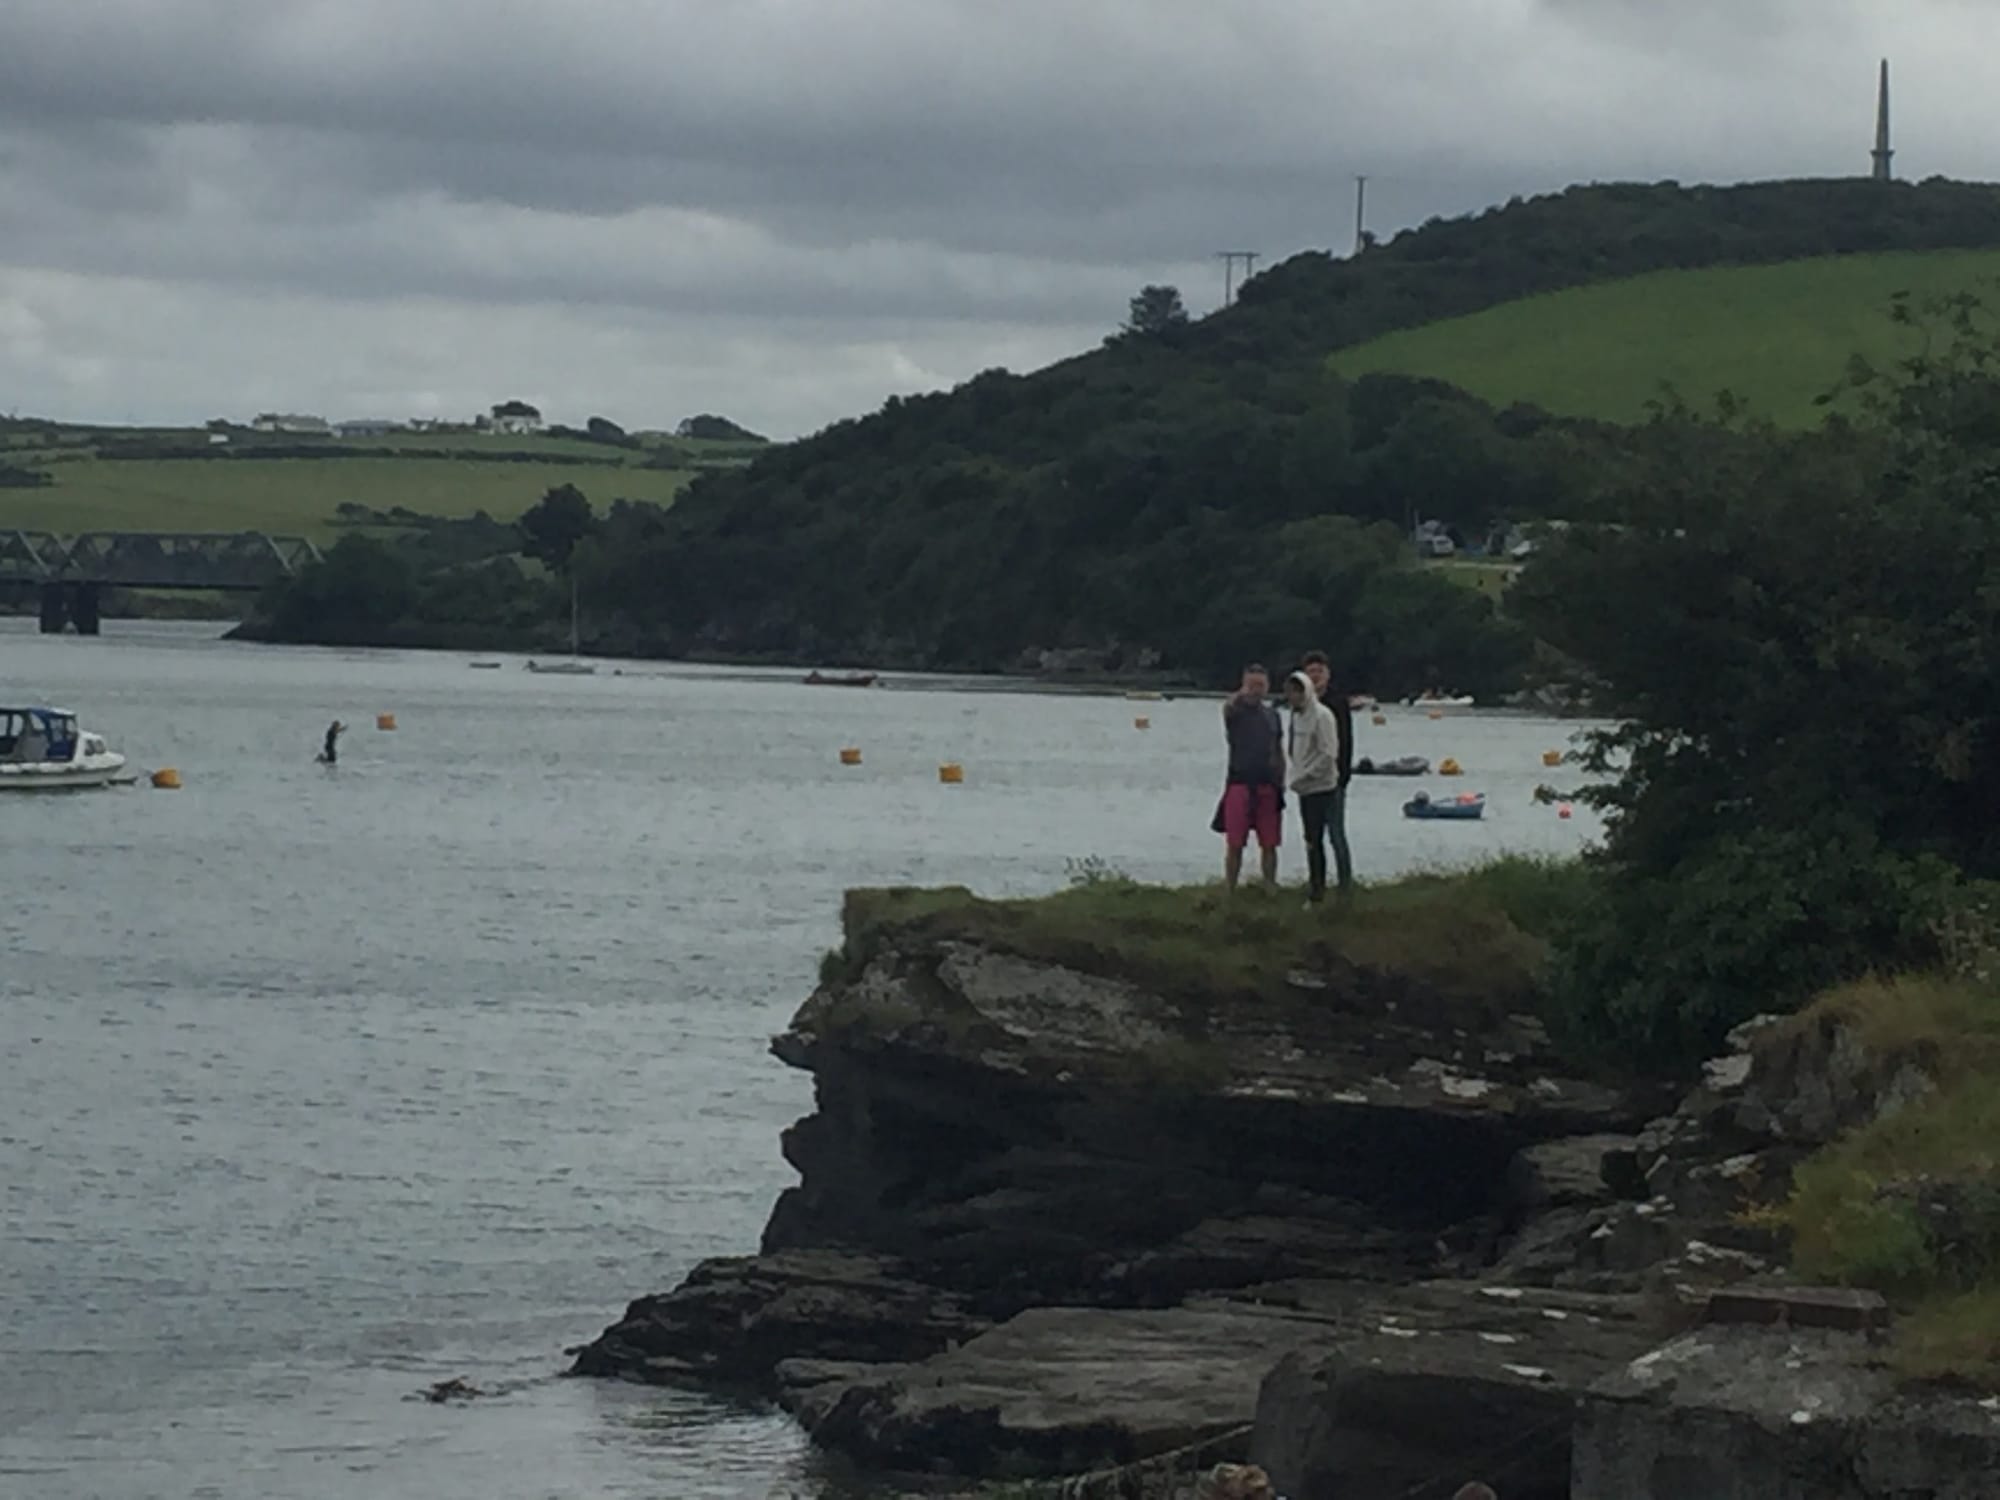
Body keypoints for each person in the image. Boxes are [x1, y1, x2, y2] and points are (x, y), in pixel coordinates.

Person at [1215, 664, 1284, 891]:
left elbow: (1278, 749)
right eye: (1252, 685)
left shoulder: (1273, 716)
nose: (1256, 690)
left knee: (1270, 843)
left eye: (1260, 685)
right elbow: (1227, 707)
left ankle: (1270, 885)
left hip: (1268, 785)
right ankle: (1230, 887)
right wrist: (1240, 694)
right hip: (1240, 784)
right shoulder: (1235, 711)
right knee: (1235, 842)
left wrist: (1281, 782)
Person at [1284, 671, 1342, 903]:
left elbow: (1328, 754)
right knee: (1310, 839)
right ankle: (1315, 885)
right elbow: (1294, 748)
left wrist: (1307, 776)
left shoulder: (1323, 716)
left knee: (1324, 838)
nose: (1291, 697)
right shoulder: (1296, 717)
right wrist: (1295, 775)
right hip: (1303, 788)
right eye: (1289, 692)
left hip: (1323, 787)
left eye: (1296, 692)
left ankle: (1325, 890)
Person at [1299, 650, 1355, 893]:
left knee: (1336, 835)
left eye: (1319, 671)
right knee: (1312, 839)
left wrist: (1342, 778)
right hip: (1308, 781)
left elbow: (1345, 742)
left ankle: (1345, 886)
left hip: (1333, 781)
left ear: (1327, 674)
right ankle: (1316, 888)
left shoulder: (1338, 703)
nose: (1315, 676)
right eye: (1310, 672)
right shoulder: (1300, 704)